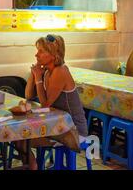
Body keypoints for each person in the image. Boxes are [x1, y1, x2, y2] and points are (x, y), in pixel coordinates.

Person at [17, 34, 88, 169]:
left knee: (23, 139)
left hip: (73, 131)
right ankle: (34, 165)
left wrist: (38, 77)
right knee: (20, 138)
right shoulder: (48, 72)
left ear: (54, 55)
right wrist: (34, 74)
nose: (36, 55)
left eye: (41, 51)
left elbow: (45, 105)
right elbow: (28, 95)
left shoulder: (60, 71)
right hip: (57, 125)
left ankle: (34, 166)